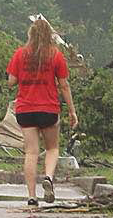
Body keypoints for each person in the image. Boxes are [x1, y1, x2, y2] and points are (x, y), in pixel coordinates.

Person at [7, 16, 77, 206]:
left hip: (25, 109)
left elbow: (11, 81)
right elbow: (64, 86)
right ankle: (48, 178)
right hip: (48, 109)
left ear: (31, 34)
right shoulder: (55, 55)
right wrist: (72, 111)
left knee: (31, 153)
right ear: (50, 36)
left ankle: (31, 196)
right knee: (52, 148)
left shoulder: (20, 54)